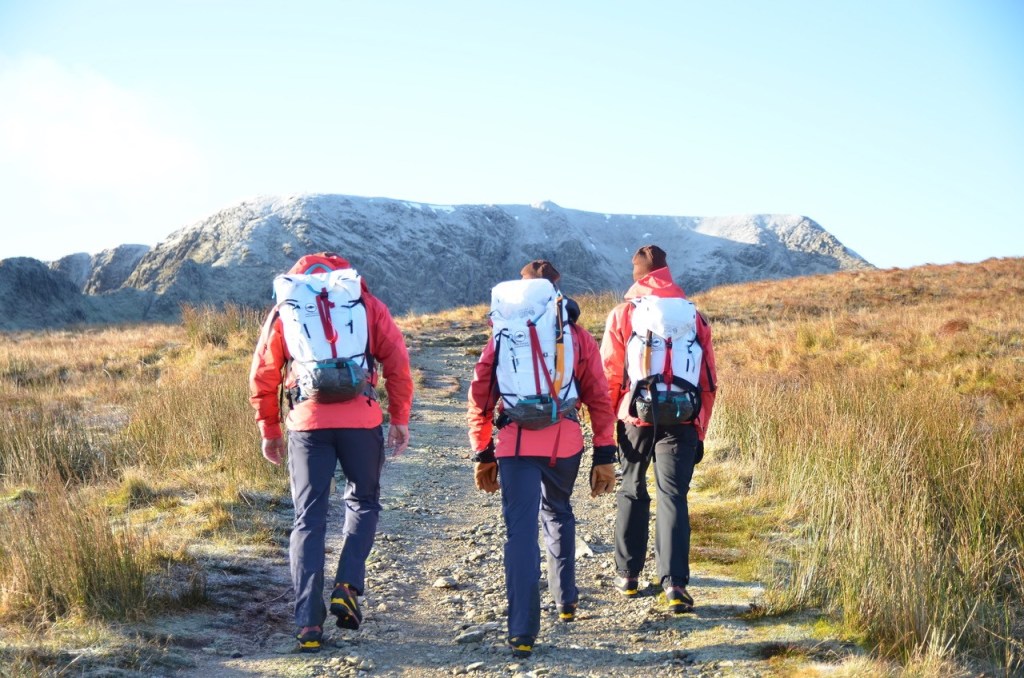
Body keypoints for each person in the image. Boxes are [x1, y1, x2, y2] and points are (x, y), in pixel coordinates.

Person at [249, 252, 413, 653]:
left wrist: (270, 429)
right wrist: (400, 418)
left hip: (307, 424)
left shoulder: (287, 308)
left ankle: (308, 622)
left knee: (308, 518)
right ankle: (347, 585)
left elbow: (264, 373)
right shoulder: (364, 303)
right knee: (363, 502)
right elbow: (397, 361)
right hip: (362, 421)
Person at [467, 260, 618, 658]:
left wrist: (482, 451)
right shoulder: (576, 337)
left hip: (514, 447)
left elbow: (480, 395)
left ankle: (521, 631)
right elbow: (599, 396)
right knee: (558, 511)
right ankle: (565, 599)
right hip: (564, 445)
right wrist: (605, 452)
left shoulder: (502, 335)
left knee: (519, 533)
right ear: (555, 290)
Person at [600, 245, 718, 613]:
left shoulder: (624, 314)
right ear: (667, 273)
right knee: (673, 496)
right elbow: (708, 381)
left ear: (637, 277)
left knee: (632, 488)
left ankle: (628, 576)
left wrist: (609, 425)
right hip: (683, 418)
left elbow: (609, 374)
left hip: (636, 416)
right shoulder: (694, 316)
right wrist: (700, 429)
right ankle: (675, 584)